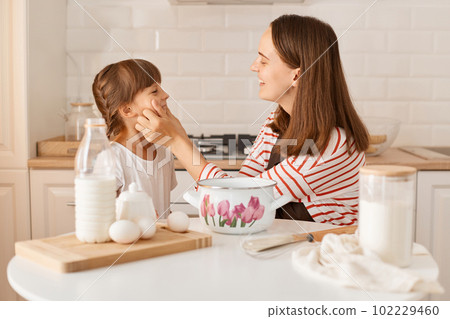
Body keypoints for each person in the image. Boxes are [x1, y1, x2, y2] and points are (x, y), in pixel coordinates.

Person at [136, 15, 369, 226]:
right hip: (284, 247)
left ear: (296, 74)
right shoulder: (276, 122)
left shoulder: (333, 144)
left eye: (264, 61)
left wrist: (178, 143)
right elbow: (244, 185)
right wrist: (178, 138)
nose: (253, 67)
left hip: (321, 257)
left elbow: (243, 203)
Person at [92, 59, 177, 218]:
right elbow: (101, 216)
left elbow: (165, 210)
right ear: (127, 109)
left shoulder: (164, 151)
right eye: (154, 91)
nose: (165, 95)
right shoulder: (111, 158)